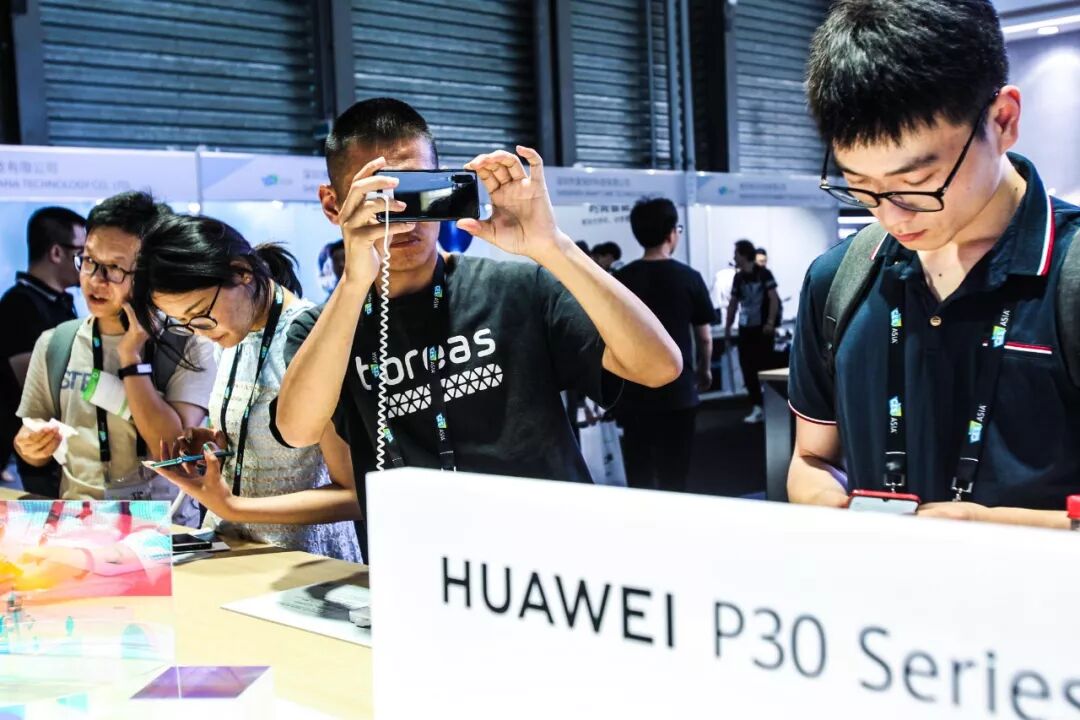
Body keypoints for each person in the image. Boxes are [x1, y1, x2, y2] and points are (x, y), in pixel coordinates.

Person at [274, 97, 681, 558]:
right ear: (334, 205)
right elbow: (298, 430)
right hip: (422, 565)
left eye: (417, 190)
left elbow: (659, 367)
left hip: (556, 558)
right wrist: (354, 281)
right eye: (379, 195)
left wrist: (552, 245)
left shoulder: (517, 287)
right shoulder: (322, 328)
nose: (404, 214)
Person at [788, 0, 1080, 528]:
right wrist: (830, 502)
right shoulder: (838, 278)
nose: (891, 216)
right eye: (861, 187)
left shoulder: (1070, 276)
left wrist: (991, 529)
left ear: (1003, 120)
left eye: (918, 183)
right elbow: (812, 458)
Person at [130, 215, 361, 562]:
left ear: (241, 272)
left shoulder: (309, 339)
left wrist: (233, 507)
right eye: (183, 323)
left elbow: (353, 495)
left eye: (199, 314)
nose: (198, 331)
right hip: (234, 550)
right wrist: (217, 446)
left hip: (303, 564)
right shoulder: (232, 333)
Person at [13, 192, 215, 505]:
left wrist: (131, 360)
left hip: (164, 523)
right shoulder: (56, 342)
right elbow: (31, 444)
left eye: (115, 268)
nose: (96, 280)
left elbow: (173, 451)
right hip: (80, 519)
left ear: (149, 273)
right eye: (89, 261)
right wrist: (30, 446)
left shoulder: (188, 343)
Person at [612, 198, 715, 492]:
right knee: (675, 474)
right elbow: (704, 337)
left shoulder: (621, 279)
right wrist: (704, 370)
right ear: (671, 234)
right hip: (678, 390)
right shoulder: (689, 278)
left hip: (633, 391)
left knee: (639, 472)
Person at [1, 207, 85, 495]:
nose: (86, 266)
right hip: (39, 451)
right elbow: (38, 387)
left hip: (67, 451)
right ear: (57, 253)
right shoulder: (19, 305)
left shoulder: (60, 302)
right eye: (81, 254)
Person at [725, 239, 780, 424]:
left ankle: (773, 407)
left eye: (736, 253)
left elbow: (774, 299)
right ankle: (757, 406)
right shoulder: (738, 278)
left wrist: (770, 322)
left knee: (766, 368)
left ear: (743, 255)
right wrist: (728, 328)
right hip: (745, 330)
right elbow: (733, 304)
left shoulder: (764, 274)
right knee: (747, 369)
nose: (734, 257)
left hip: (762, 330)